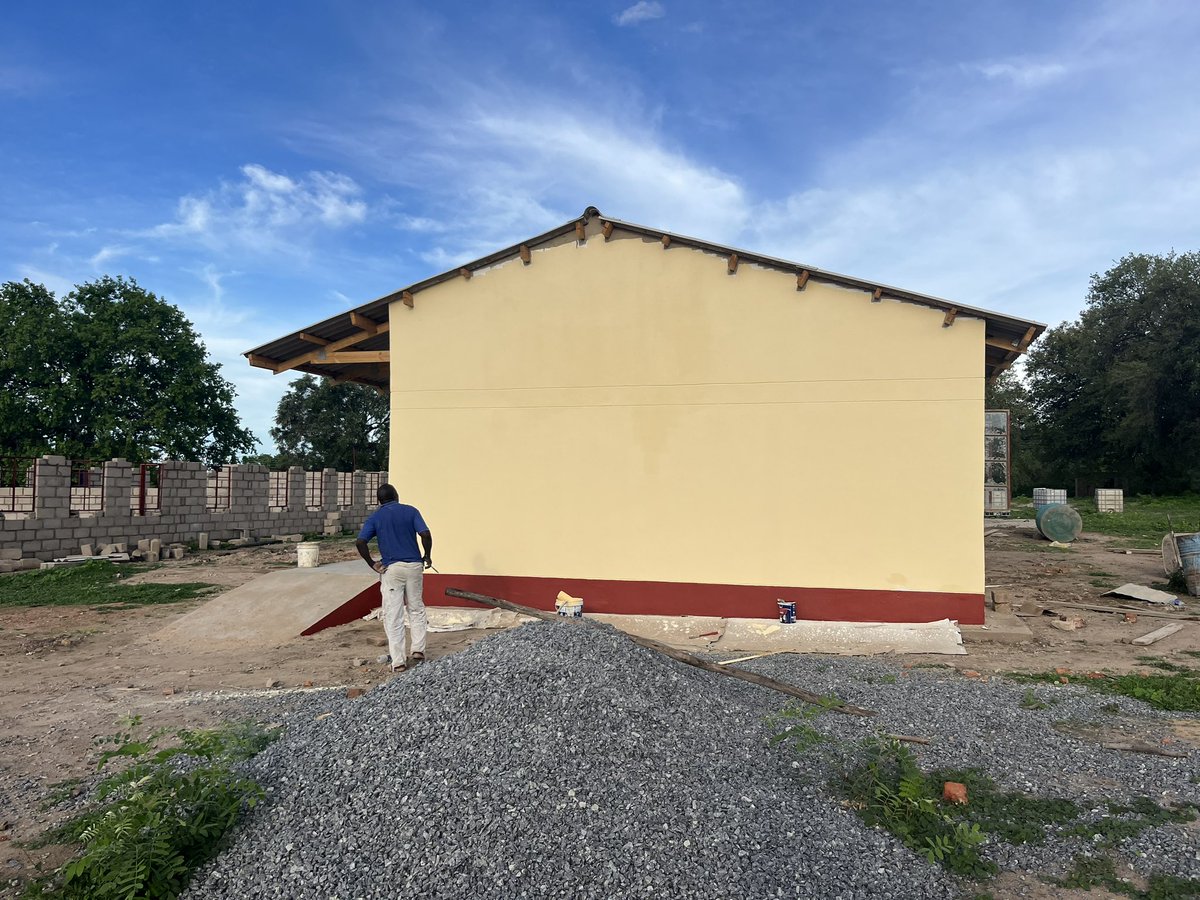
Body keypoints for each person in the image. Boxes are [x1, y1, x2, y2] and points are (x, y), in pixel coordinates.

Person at [355, 484, 433, 672]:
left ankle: (398, 661)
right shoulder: (411, 511)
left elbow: (360, 541)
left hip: (392, 569)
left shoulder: (376, 517)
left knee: (393, 614)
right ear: (397, 496)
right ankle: (418, 650)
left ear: (379, 500)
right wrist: (427, 555)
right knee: (416, 608)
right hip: (414, 566)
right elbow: (425, 534)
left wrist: (371, 563)